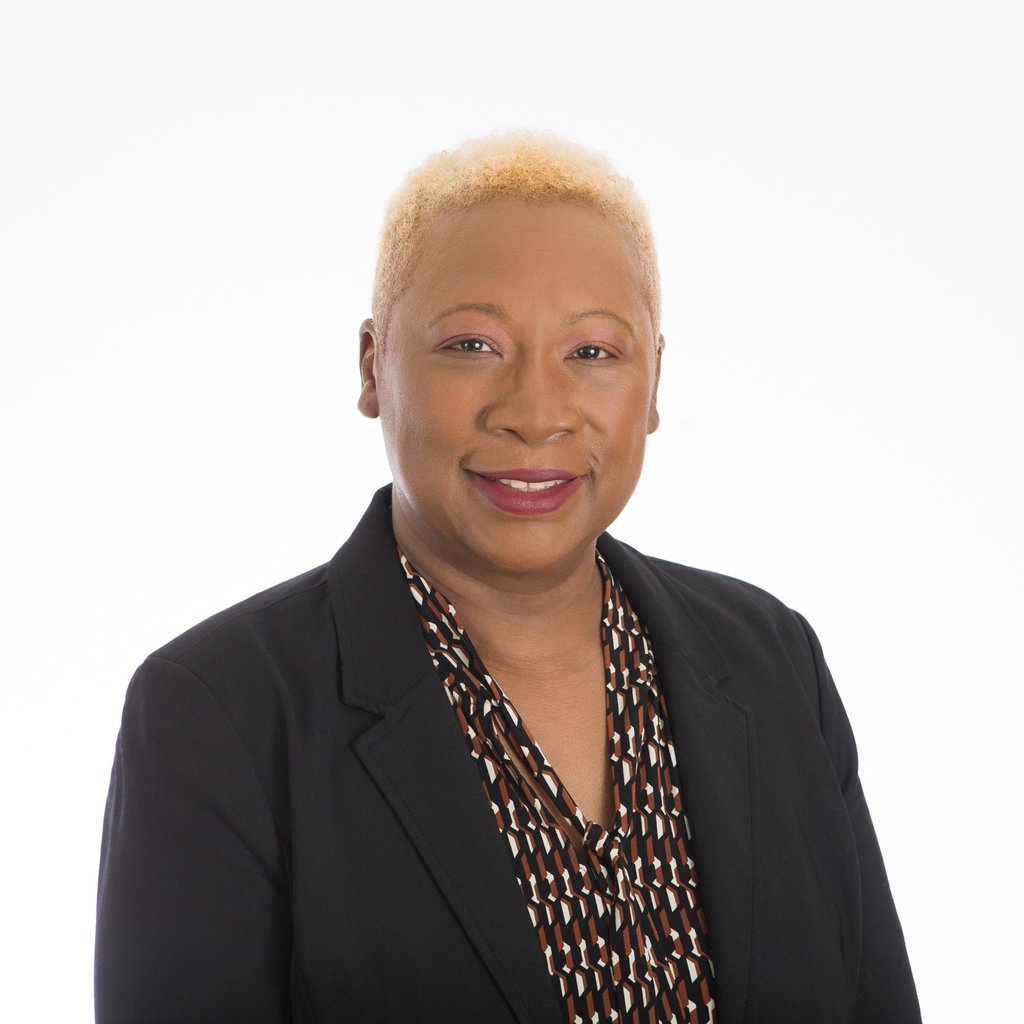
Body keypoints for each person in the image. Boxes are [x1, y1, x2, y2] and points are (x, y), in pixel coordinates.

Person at [95, 132, 920, 1024]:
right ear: (372, 367)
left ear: (653, 385)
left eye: (592, 353)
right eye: (472, 344)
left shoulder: (772, 659)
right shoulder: (216, 714)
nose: (535, 413)